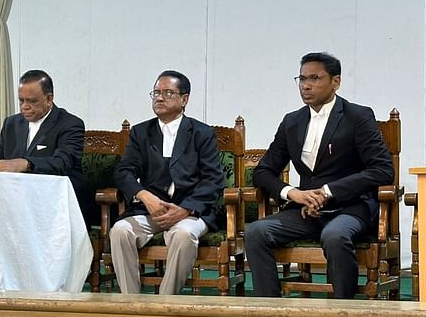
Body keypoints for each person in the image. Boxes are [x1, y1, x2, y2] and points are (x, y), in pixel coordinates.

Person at [245, 52, 394, 299]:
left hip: (350, 207)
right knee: (256, 232)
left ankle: (342, 311)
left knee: (334, 235)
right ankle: (269, 308)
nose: (306, 85)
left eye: (315, 78)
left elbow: (382, 170)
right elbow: (262, 172)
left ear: (336, 82)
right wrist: (293, 193)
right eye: (302, 78)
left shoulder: (357, 117)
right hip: (305, 211)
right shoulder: (292, 121)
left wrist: (328, 192)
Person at [109, 70, 223, 295]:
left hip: (191, 212)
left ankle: (165, 301)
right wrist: (144, 196)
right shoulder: (141, 132)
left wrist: (185, 209)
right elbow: (124, 172)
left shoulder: (201, 133)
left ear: (184, 99)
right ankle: (131, 302)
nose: (159, 98)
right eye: (156, 93)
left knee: (183, 235)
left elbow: (214, 180)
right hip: (151, 210)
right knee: (120, 231)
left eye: (168, 93)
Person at [0, 70, 84, 193]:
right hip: (13, 193)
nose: (24, 106)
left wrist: (24, 163)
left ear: (49, 99)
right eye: (21, 101)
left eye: (32, 101)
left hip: (54, 195)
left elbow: (63, 162)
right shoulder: (11, 123)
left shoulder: (69, 124)